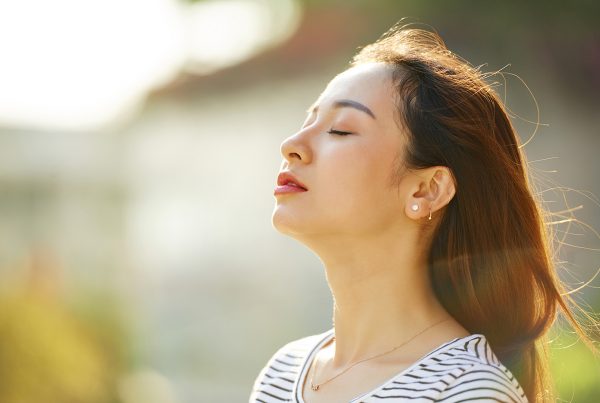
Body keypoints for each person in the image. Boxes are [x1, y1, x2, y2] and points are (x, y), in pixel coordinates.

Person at [249, 23, 596, 403]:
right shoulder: (283, 374)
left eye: (341, 130)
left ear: (426, 190)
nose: (292, 145)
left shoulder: (467, 389)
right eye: (307, 121)